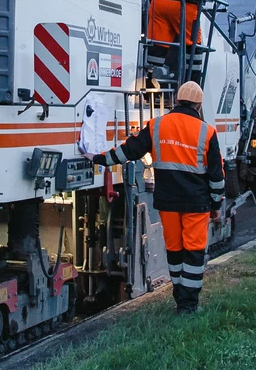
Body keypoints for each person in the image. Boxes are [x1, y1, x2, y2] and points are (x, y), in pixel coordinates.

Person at [87, 81, 223, 314]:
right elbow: (216, 176)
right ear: (199, 105)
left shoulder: (157, 125)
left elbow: (129, 150)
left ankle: (180, 299)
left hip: (168, 202)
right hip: (197, 203)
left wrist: (100, 158)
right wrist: (217, 203)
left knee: (175, 251)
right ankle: (188, 306)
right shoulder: (207, 132)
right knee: (193, 253)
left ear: (177, 101)